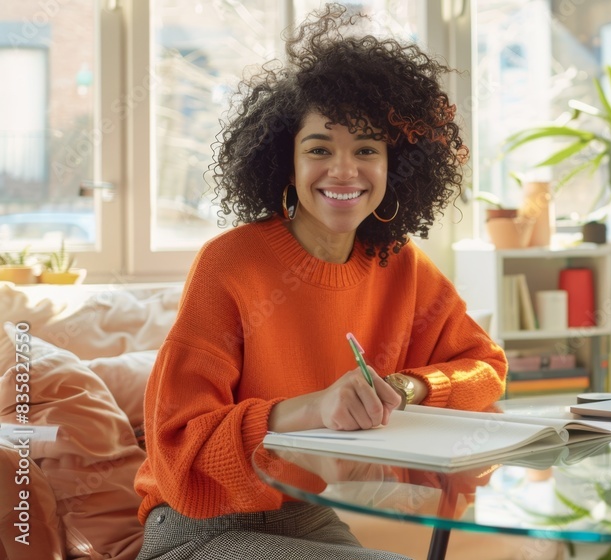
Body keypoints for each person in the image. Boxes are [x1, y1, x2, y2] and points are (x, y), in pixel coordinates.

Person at [134, 5, 507, 559]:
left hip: (309, 516)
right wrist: (314, 408)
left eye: (366, 150)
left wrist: (407, 388)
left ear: (393, 165)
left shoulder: (402, 267)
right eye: (319, 150)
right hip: (198, 526)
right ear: (285, 163)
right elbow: (179, 448)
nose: (344, 171)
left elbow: (485, 368)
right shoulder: (230, 263)